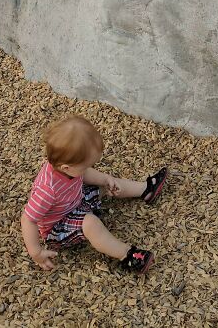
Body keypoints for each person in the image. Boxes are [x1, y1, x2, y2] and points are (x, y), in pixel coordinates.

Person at [21, 114, 167, 274]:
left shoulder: (68, 168)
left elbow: (84, 175)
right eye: (85, 166)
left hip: (74, 199)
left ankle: (145, 189)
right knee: (91, 223)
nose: (88, 168)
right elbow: (28, 219)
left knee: (109, 184)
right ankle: (127, 255)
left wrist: (105, 179)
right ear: (66, 168)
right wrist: (36, 252)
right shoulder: (47, 190)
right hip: (58, 226)